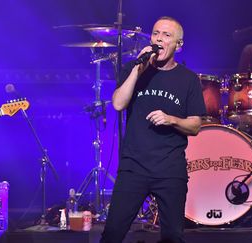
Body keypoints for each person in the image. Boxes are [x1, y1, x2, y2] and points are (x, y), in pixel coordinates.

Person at [100, 16, 206, 243]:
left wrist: (171, 120)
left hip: (170, 169)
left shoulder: (188, 79)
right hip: (134, 166)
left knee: (172, 236)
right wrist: (138, 69)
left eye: (167, 35)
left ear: (178, 45)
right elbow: (118, 104)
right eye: (156, 33)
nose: (159, 39)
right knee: (112, 234)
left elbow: (196, 125)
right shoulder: (135, 68)